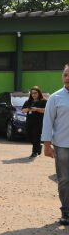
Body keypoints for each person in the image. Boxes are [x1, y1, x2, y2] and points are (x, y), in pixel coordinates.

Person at [42, 64, 69, 225]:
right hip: (62, 145)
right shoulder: (55, 98)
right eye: (65, 75)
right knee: (64, 179)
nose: (67, 77)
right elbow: (48, 122)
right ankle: (66, 212)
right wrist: (46, 144)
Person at [22, 86, 47, 159]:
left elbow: (46, 110)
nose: (33, 95)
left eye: (35, 93)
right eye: (32, 93)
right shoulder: (28, 101)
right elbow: (23, 110)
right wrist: (29, 109)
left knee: (36, 137)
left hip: (39, 122)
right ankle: (39, 146)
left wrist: (36, 109)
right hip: (29, 122)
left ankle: (34, 152)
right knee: (29, 136)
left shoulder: (43, 101)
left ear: (39, 93)